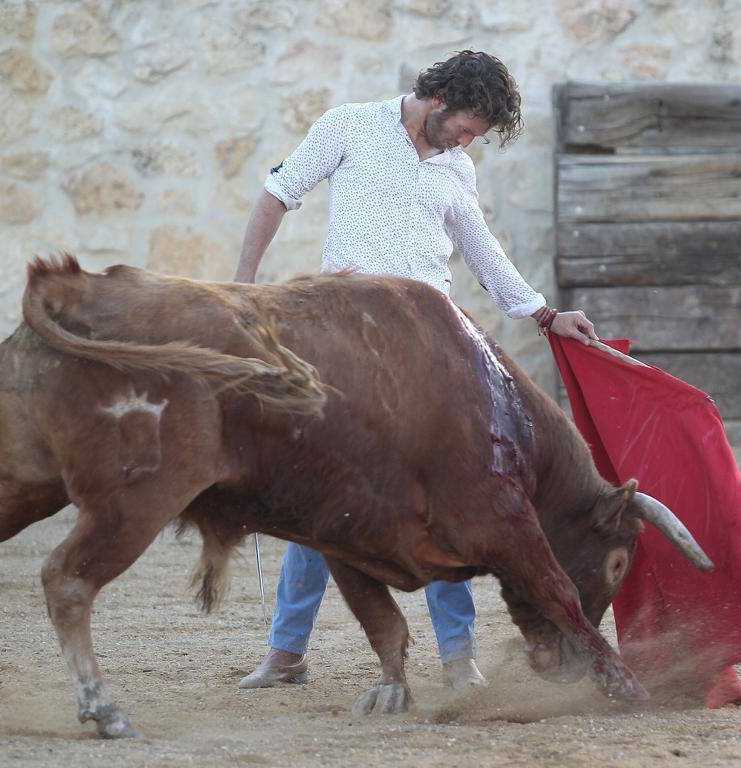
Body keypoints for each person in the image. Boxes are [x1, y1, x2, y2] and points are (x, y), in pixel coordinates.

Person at [233, 50, 600, 692]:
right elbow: (277, 194)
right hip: (349, 339)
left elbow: (483, 250)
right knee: (322, 493)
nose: (466, 142)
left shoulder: (457, 168)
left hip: (431, 352)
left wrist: (543, 315)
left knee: (447, 499)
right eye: (464, 128)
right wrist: (243, 289)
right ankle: (286, 653)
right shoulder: (348, 125)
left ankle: (458, 658)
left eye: (476, 137)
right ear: (438, 98)